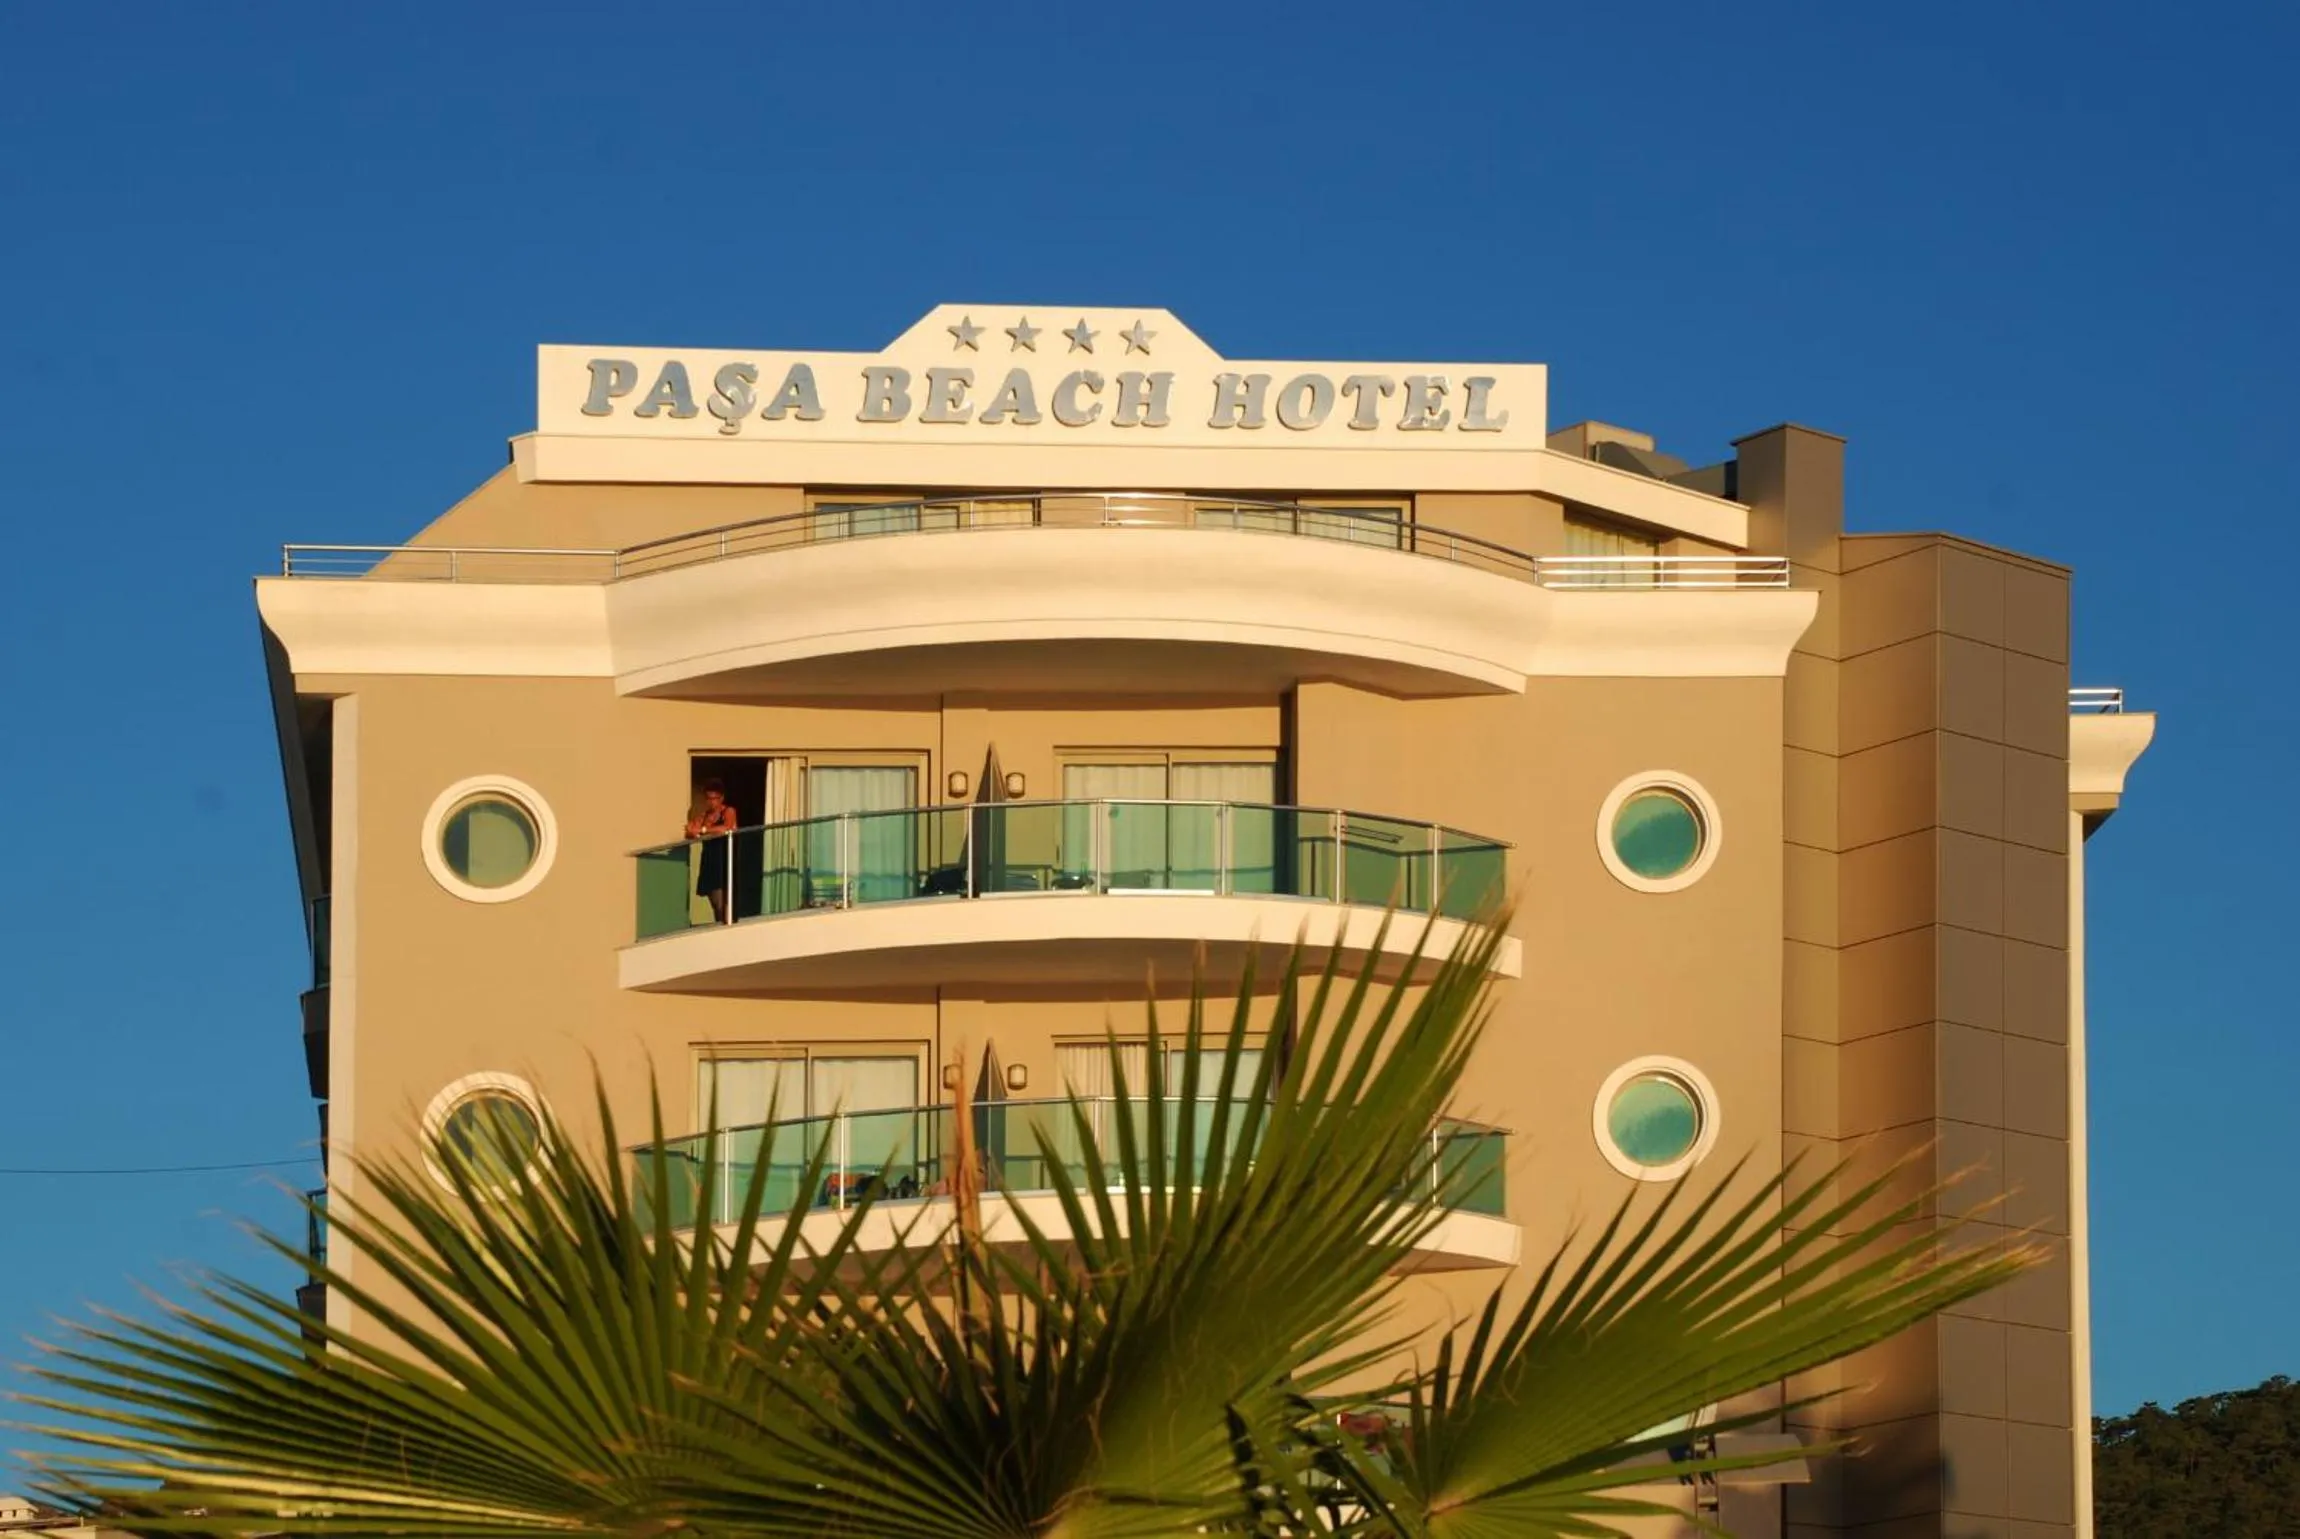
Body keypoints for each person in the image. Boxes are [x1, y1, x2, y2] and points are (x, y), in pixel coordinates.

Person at [685, 779, 739, 922]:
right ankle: (720, 924)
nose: (711, 802)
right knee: (715, 901)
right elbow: (690, 830)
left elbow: (726, 828)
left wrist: (703, 830)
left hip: (724, 858)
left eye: (714, 798)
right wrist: (696, 830)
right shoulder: (704, 816)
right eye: (708, 798)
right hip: (709, 859)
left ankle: (727, 926)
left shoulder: (728, 811)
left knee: (724, 901)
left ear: (721, 798)